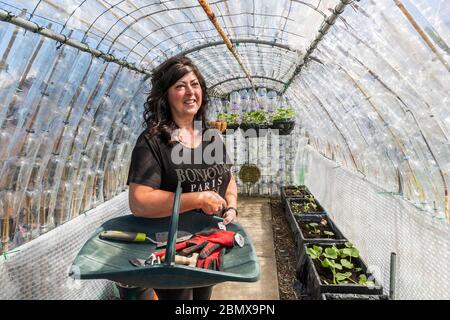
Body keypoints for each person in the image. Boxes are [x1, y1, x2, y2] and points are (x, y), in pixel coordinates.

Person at [126, 56, 238, 300]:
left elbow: (228, 178)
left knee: (201, 298)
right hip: (172, 246)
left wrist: (231, 206)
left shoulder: (210, 136)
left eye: (195, 84)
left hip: (208, 242)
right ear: (165, 96)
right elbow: (139, 201)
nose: (190, 92)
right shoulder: (153, 142)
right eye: (180, 86)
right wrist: (197, 199)